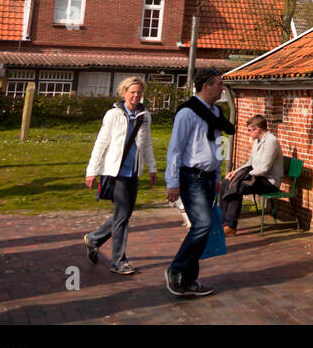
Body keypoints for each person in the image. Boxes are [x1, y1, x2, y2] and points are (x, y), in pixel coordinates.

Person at [164, 68, 234, 297]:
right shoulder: (188, 113)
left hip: (207, 178)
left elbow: (217, 146)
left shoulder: (215, 112)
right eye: (220, 84)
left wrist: (216, 177)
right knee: (203, 225)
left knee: (201, 229)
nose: (223, 88)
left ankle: (189, 280)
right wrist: (172, 182)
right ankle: (176, 270)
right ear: (207, 86)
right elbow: (175, 149)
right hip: (191, 176)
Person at [84, 76, 157, 275]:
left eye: (139, 92)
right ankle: (118, 260)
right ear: (124, 93)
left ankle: (94, 238)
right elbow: (101, 143)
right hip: (115, 172)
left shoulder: (145, 116)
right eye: (132, 92)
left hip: (133, 172)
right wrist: (92, 171)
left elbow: (147, 144)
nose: (135, 96)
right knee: (122, 216)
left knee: (123, 214)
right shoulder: (113, 115)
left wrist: (152, 168)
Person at [219, 114, 283, 234]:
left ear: (257, 129)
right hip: (257, 177)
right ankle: (221, 221)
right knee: (227, 182)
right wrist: (235, 172)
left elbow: (264, 167)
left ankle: (230, 225)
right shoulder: (257, 141)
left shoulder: (271, 141)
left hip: (269, 181)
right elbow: (251, 162)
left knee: (238, 186)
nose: (248, 132)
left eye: (249, 130)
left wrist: (243, 176)